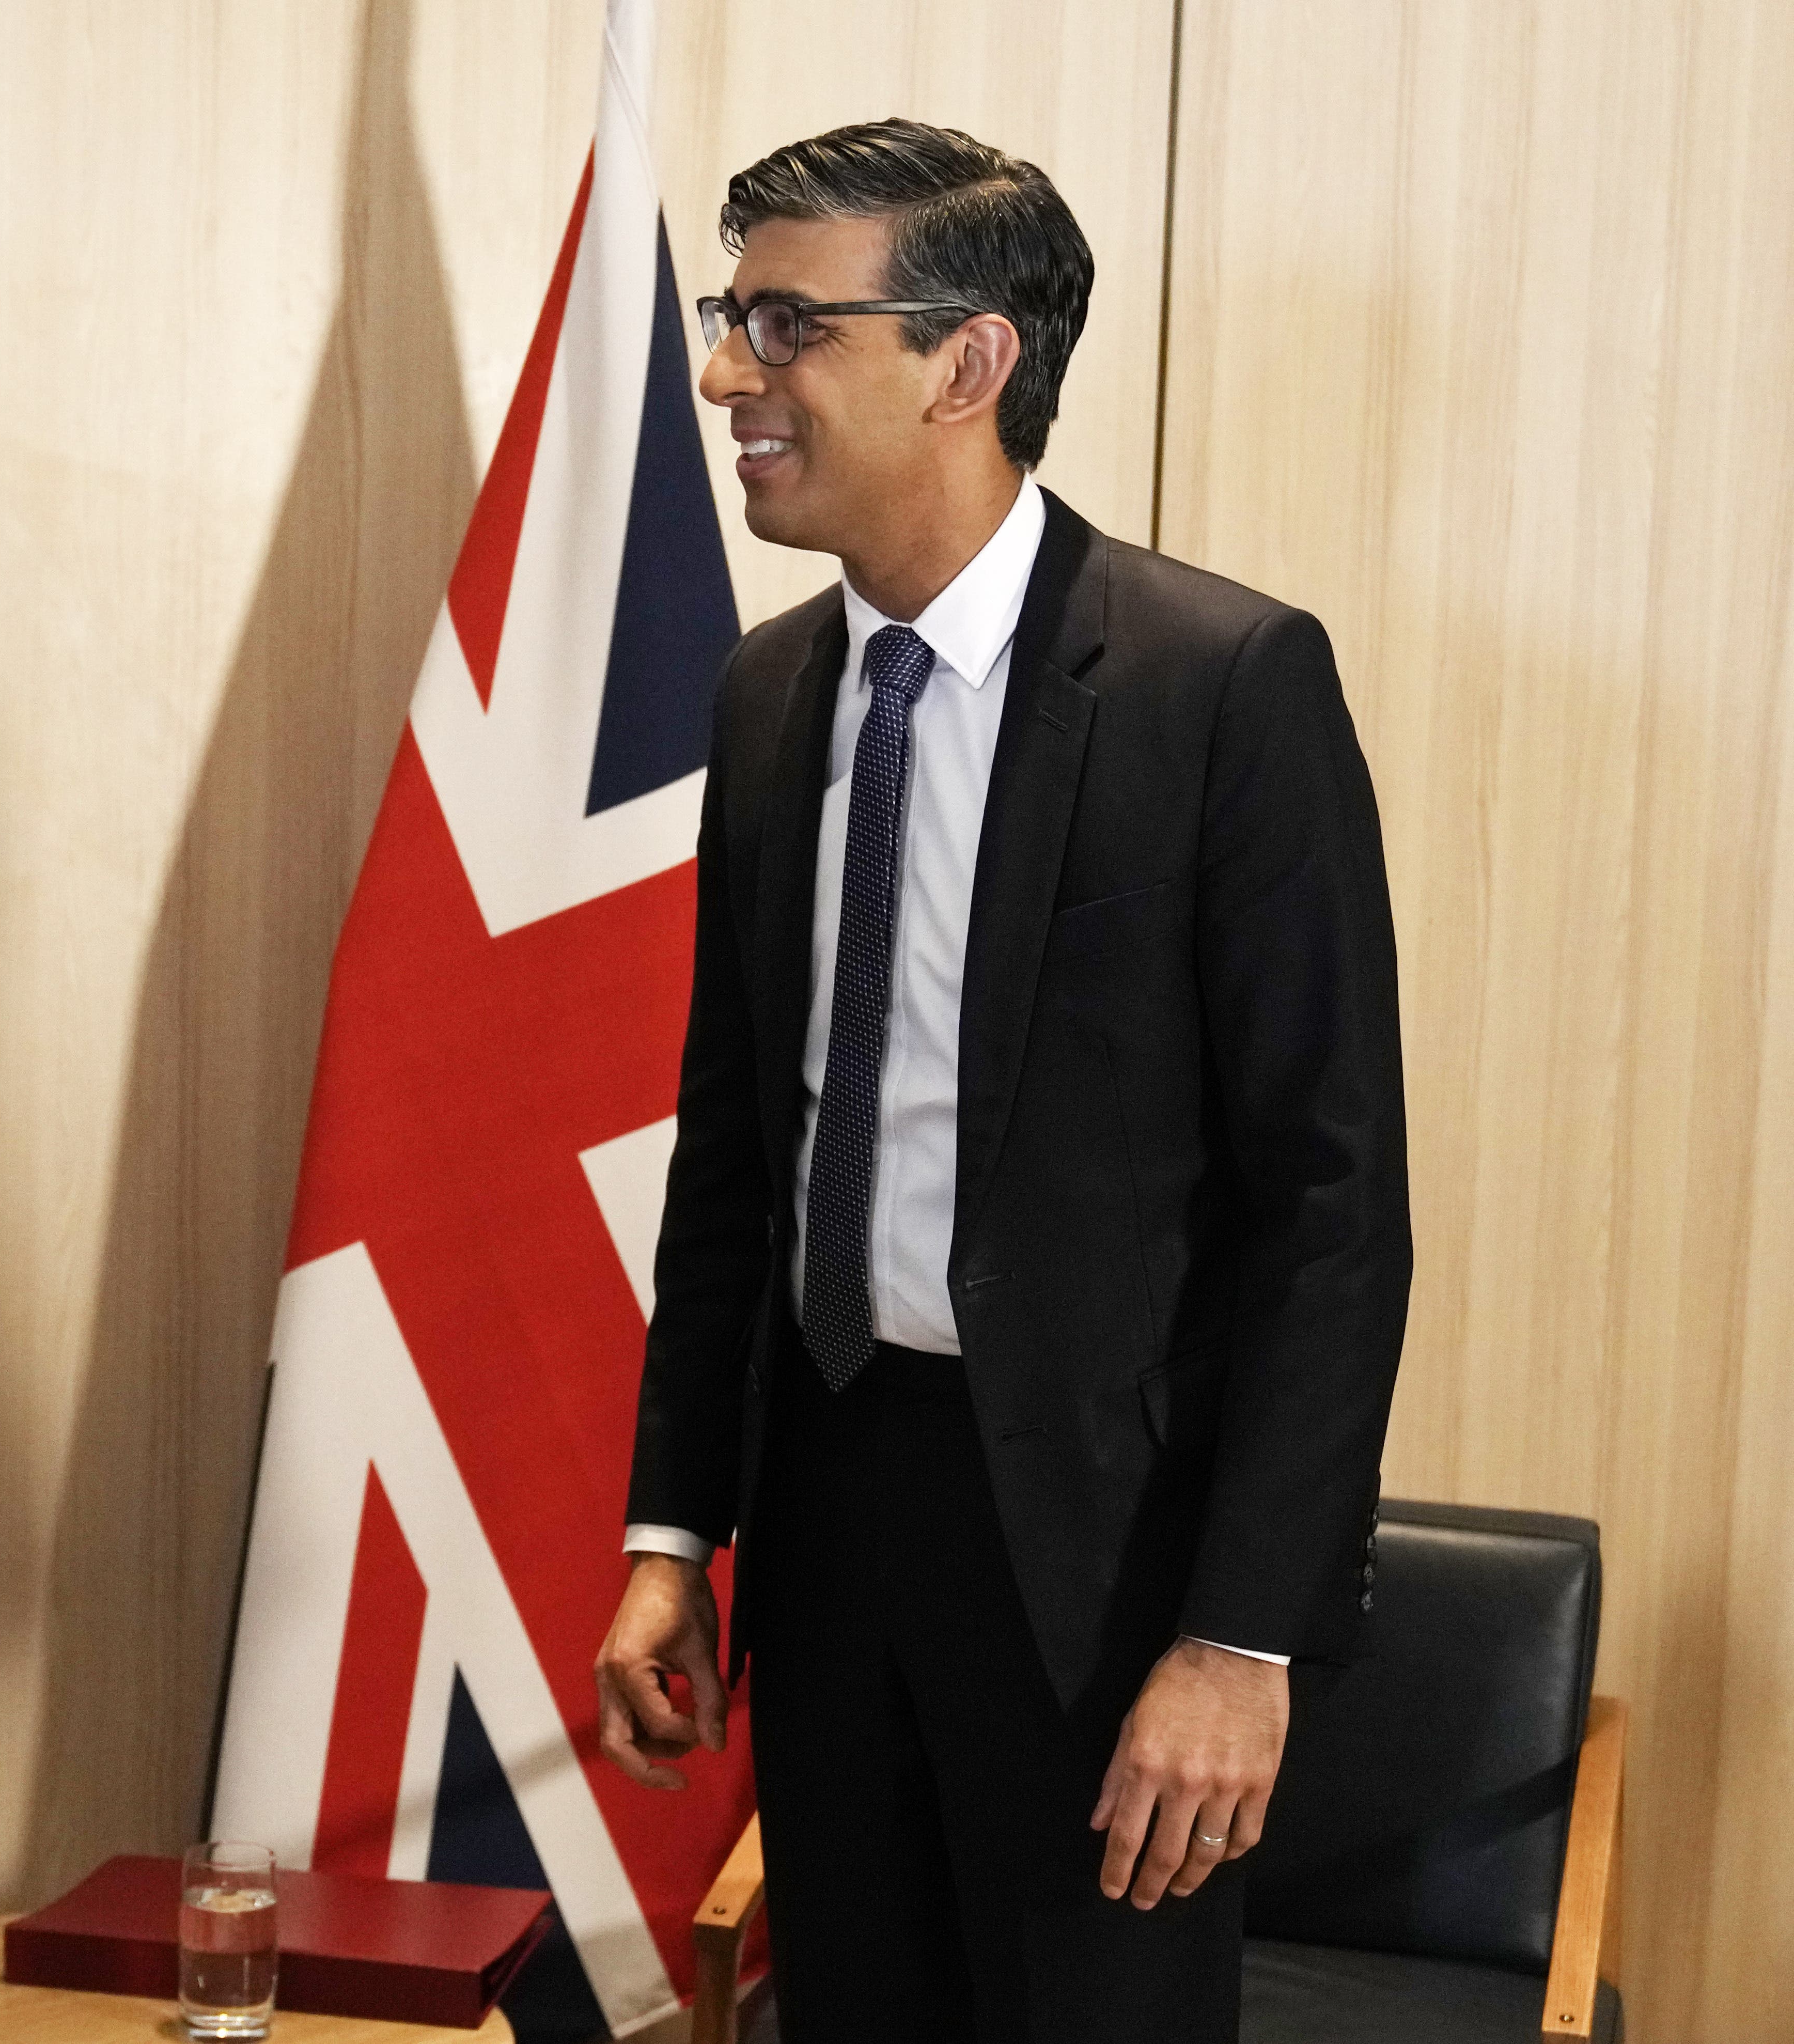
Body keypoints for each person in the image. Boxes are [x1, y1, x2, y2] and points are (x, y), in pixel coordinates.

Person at [591, 120, 1409, 2041]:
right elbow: (740, 1151)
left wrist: (1241, 1636)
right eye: (733, 317)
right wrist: (669, 1536)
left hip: (1110, 1577)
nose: (727, 374)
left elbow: (1331, 1212)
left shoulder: (1227, 684)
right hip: (833, 1509)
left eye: (787, 325)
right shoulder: (769, 691)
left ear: (969, 364)